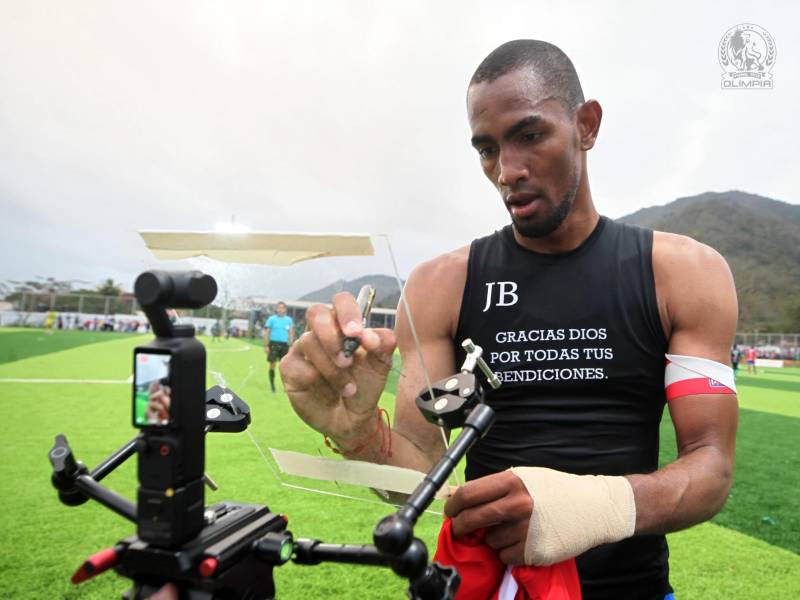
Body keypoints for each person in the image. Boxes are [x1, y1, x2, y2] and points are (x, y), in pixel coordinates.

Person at [280, 40, 738, 599]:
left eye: (530, 135)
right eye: (486, 149)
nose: (507, 171)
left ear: (586, 125)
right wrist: (357, 435)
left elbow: (710, 468)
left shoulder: (682, 272)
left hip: (631, 588)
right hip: (485, 588)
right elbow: (418, 470)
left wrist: (597, 505)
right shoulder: (438, 285)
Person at [264, 302, 294, 392]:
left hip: (284, 345)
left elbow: (291, 333)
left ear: (285, 309)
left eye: (282, 308)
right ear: (277, 309)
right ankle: (272, 385)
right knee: (272, 364)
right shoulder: (272, 319)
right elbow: (267, 332)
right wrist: (266, 345)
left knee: (284, 366)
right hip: (273, 344)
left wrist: (291, 345)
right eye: (279, 308)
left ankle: (286, 386)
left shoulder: (289, 320)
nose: (280, 309)